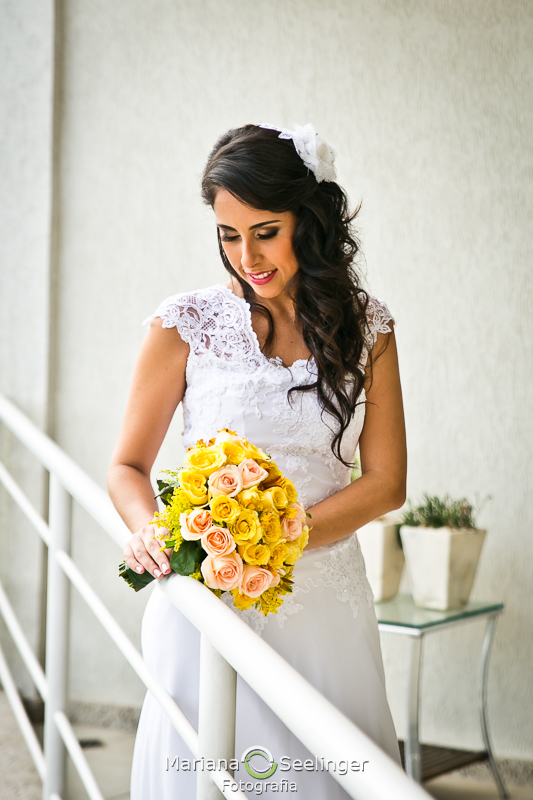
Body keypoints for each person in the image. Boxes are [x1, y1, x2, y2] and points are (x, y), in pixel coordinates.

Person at [107, 122, 407, 799]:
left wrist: (282, 536)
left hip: (323, 603)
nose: (246, 255)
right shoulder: (182, 323)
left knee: (324, 770)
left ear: (309, 220)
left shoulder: (369, 327)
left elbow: (386, 484)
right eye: (227, 234)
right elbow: (126, 465)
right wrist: (148, 526)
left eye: (264, 231)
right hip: (207, 598)